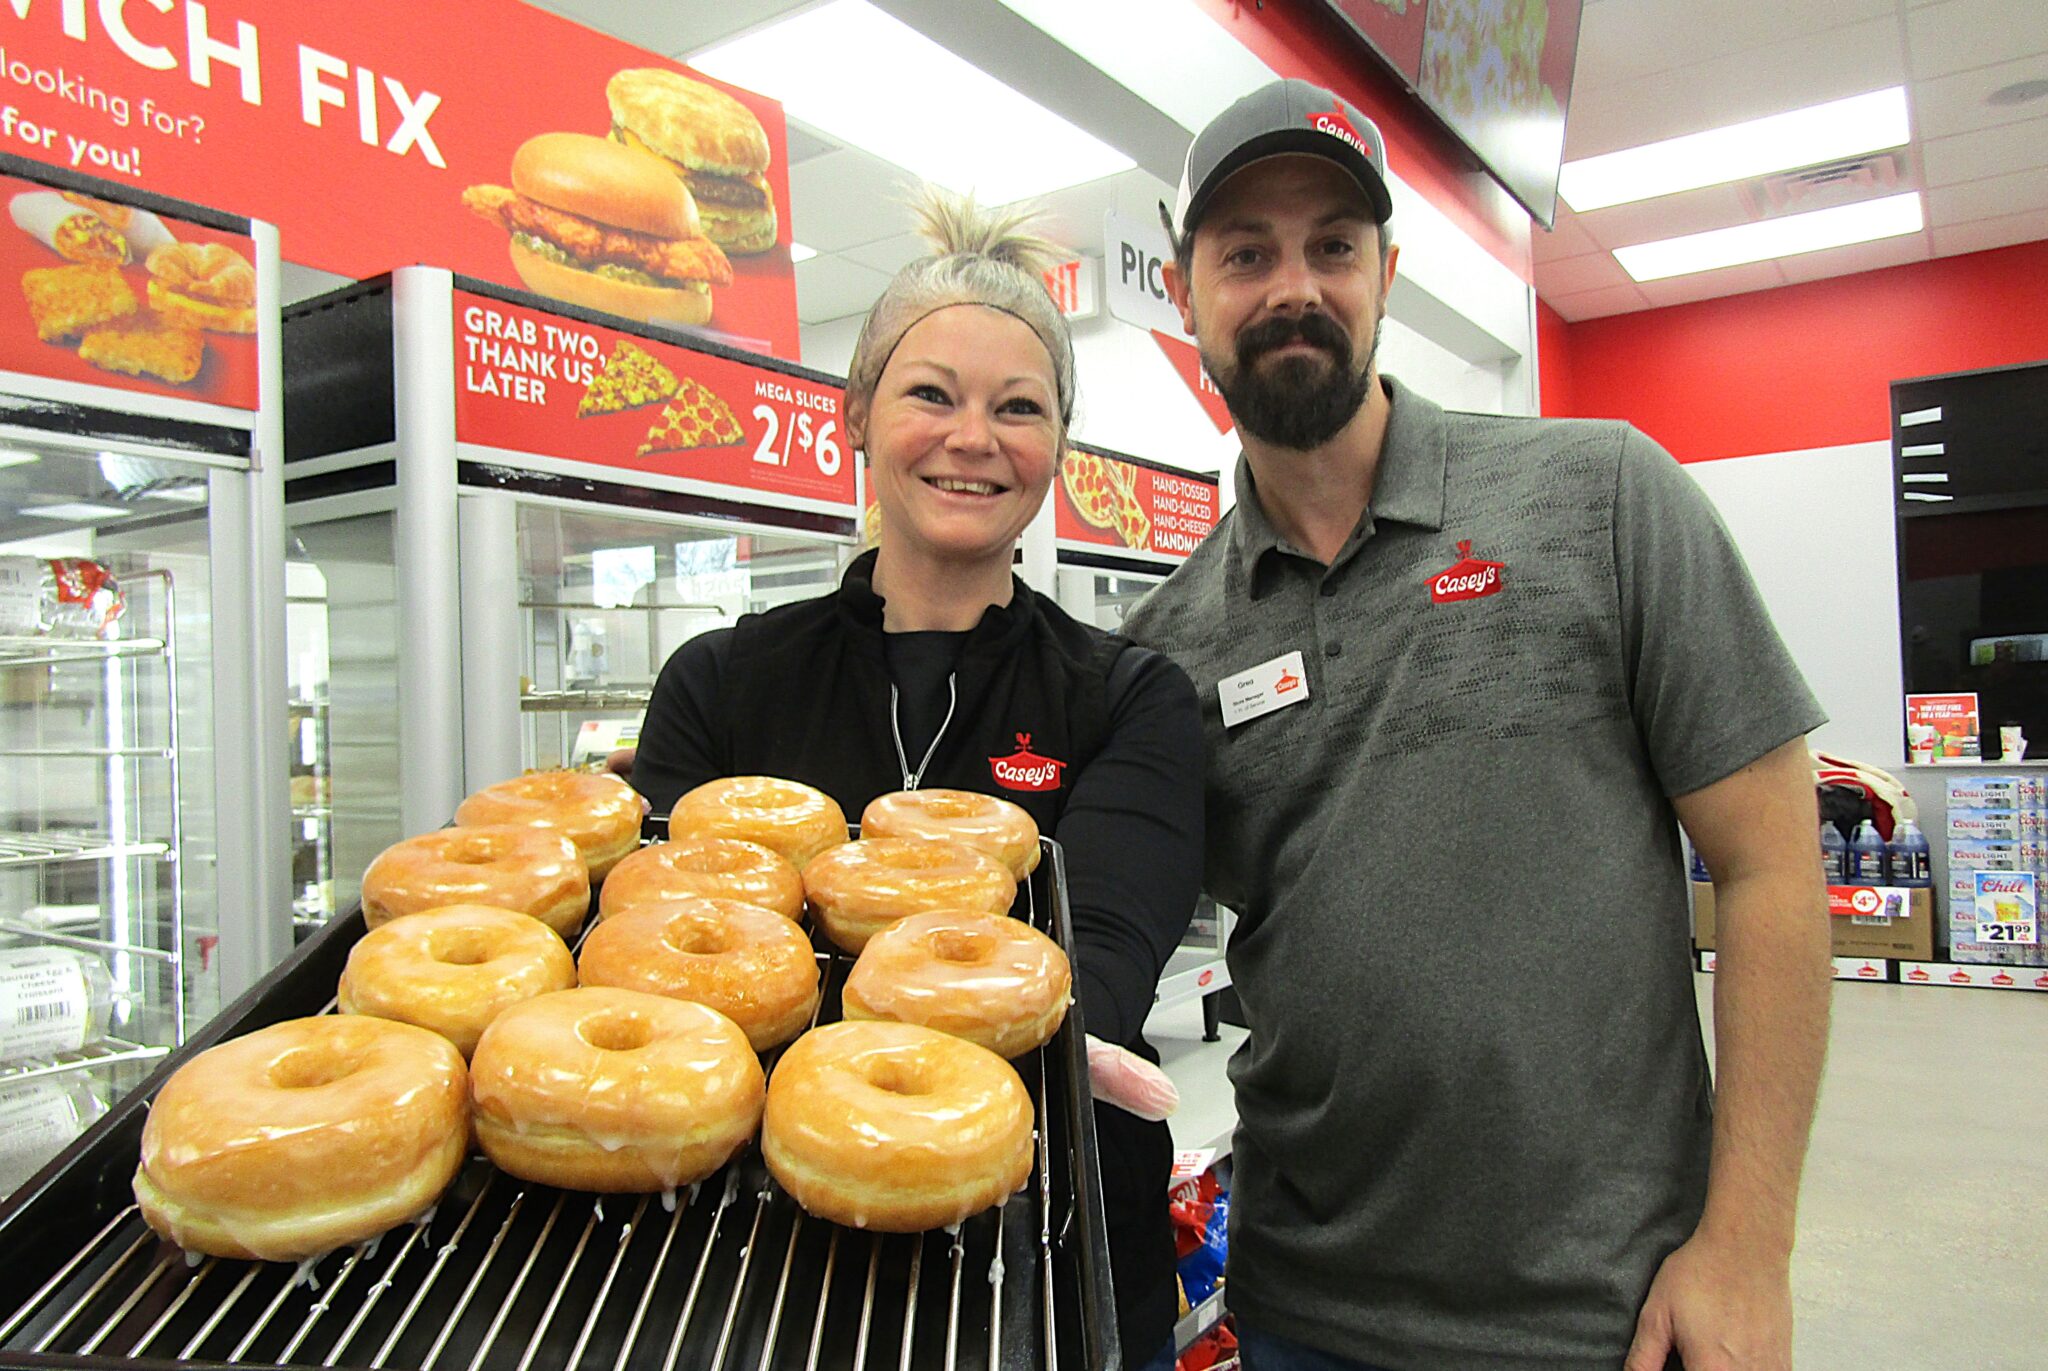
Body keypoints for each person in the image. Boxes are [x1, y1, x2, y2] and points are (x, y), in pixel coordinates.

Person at [1122, 79, 1834, 1371]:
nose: (1294, 287)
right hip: (1300, 1308)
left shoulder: (1603, 496)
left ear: (1387, 274)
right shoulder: (1169, 645)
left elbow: (1771, 865)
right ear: (1183, 292)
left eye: (1333, 245)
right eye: (1245, 254)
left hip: (1608, 1308)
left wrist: (1746, 1244)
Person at [623, 189, 1202, 1370]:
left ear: (1056, 447)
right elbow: (663, 947)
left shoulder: (1127, 695)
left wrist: (1060, 1017)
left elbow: (1100, 951)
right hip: (767, 1265)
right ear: (855, 412)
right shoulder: (721, 681)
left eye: (1018, 406)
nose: (972, 437)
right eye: (931, 394)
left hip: (1055, 1256)